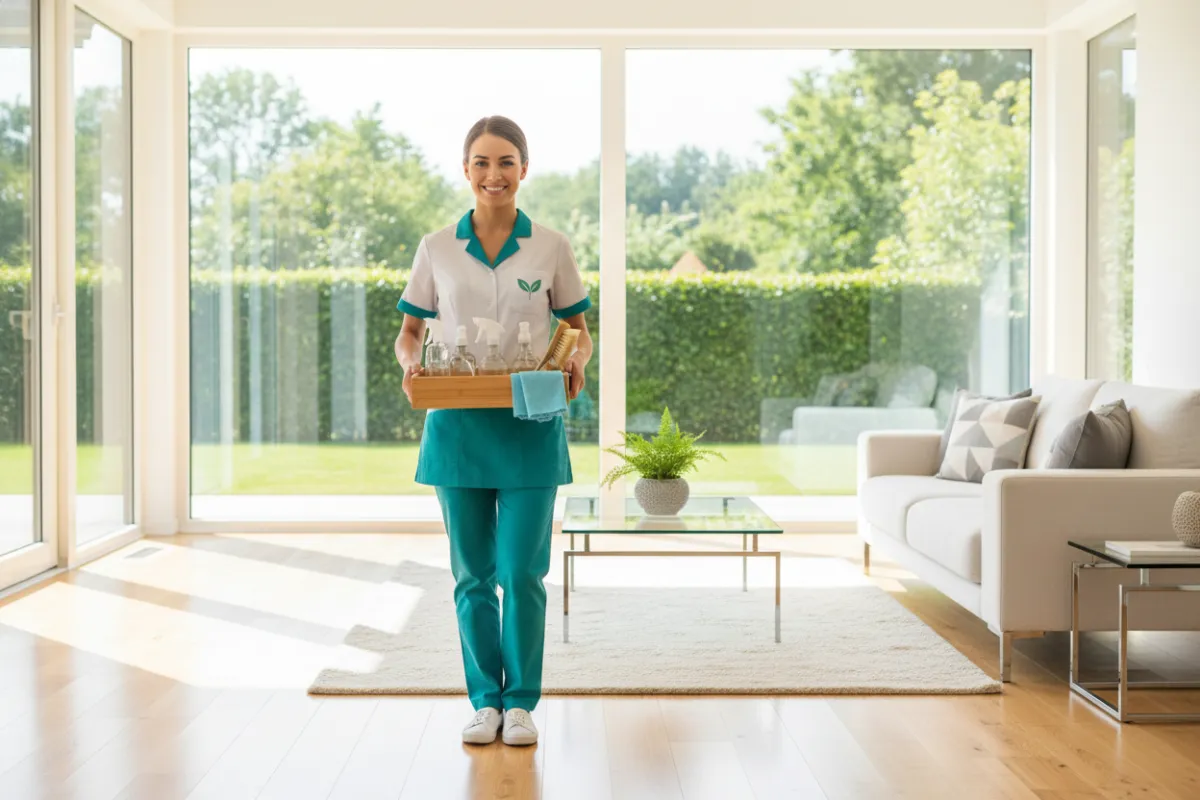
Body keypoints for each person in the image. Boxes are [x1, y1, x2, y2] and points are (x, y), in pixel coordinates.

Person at [394, 116, 593, 747]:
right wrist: (410, 366)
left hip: (531, 427)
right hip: (456, 429)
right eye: (481, 162)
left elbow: (578, 330)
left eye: (506, 161)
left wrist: (577, 361)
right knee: (472, 575)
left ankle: (522, 703)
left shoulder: (551, 246)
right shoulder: (436, 247)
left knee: (522, 573)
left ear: (524, 169)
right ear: (465, 169)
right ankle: (485, 701)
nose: (493, 174)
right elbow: (409, 332)